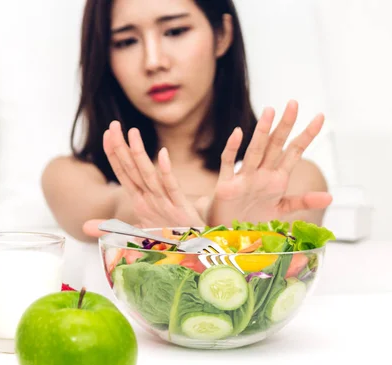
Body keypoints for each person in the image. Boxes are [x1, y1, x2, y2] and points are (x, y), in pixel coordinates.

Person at [42, 0, 332, 243]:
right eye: (126, 41)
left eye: (176, 30)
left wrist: (208, 225)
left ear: (222, 35)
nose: (153, 61)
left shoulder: (293, 178)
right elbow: (117, 206)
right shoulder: (70, 176)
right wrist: (213, 222)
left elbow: (294, 248)